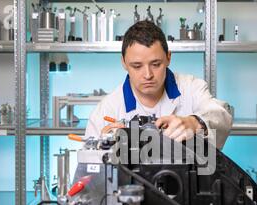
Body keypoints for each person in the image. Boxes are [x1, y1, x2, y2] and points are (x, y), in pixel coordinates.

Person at [84, 20, 232, 149]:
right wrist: (104, 147)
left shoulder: (192, 88)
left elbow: (222, 116)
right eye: (137, 66)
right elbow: (88, 173)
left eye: (156, 64)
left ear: (168, 58)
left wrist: (194, 122)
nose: (148, 75)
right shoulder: (107, 110)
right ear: (124, 63)